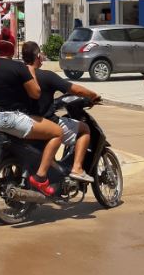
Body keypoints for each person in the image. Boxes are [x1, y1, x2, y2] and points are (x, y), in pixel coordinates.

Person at [0, 38, 63, 196]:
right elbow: (36, 93)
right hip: (12, 119)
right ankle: (40, 178)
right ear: (12, 51)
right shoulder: (19, 67)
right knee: (57, 132)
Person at [22, 41, 100, 183]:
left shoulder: (18, 75)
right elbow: (74, 89)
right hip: (45, 123)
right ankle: (77, 168)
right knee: (84, 129)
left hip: (23, 122)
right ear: (38, 56)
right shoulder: (47, 76)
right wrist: (93, 95)